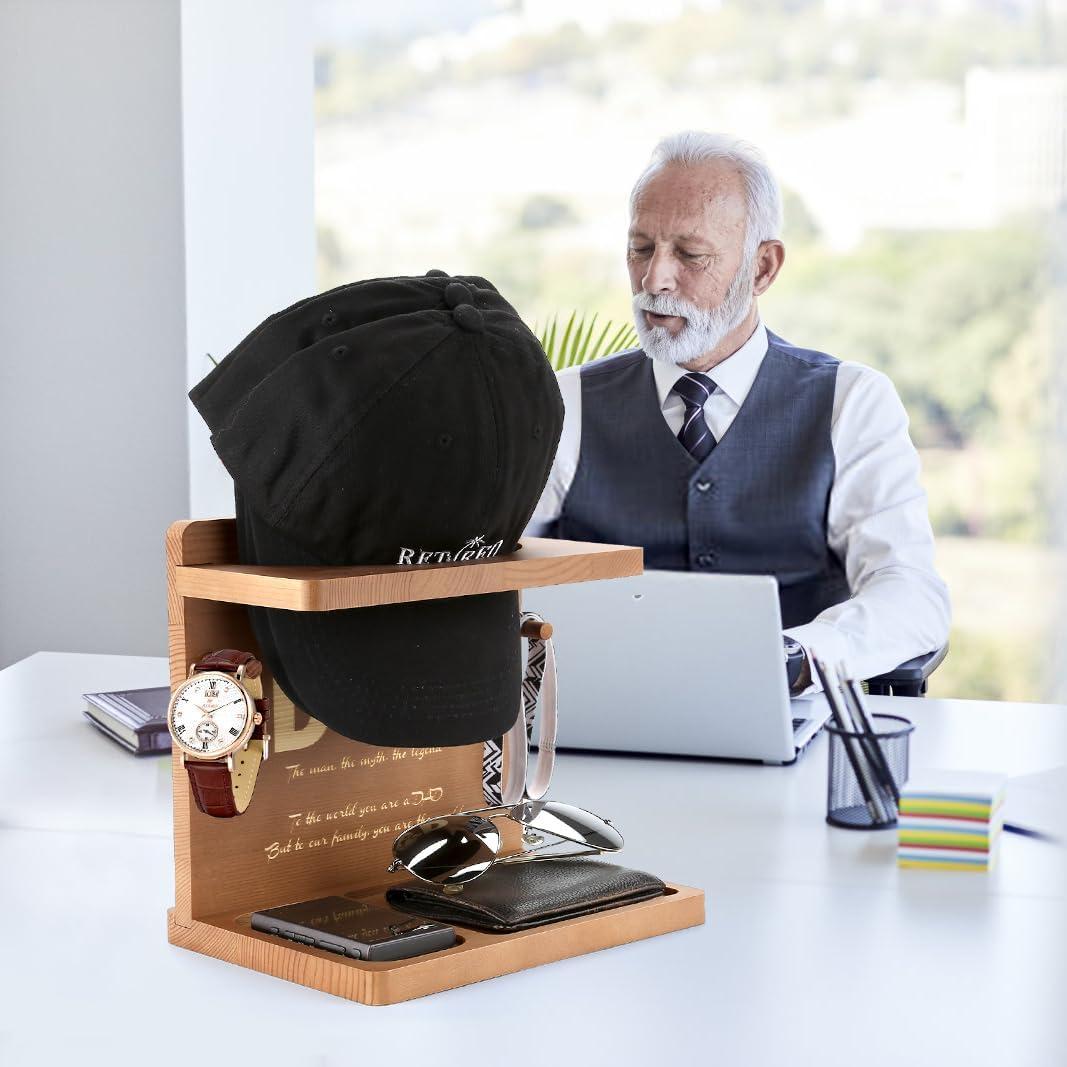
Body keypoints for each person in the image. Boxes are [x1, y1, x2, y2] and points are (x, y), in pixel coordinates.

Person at [523, 130, 951, 693]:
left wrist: (796, 659)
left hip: (795, 717)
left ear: (763, 268)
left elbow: (911, 592)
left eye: (690, 255)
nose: (655, 280)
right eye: (641, 248)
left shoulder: (851, 403)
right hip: (594, 719)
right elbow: (483, 571)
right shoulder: (564, 404)